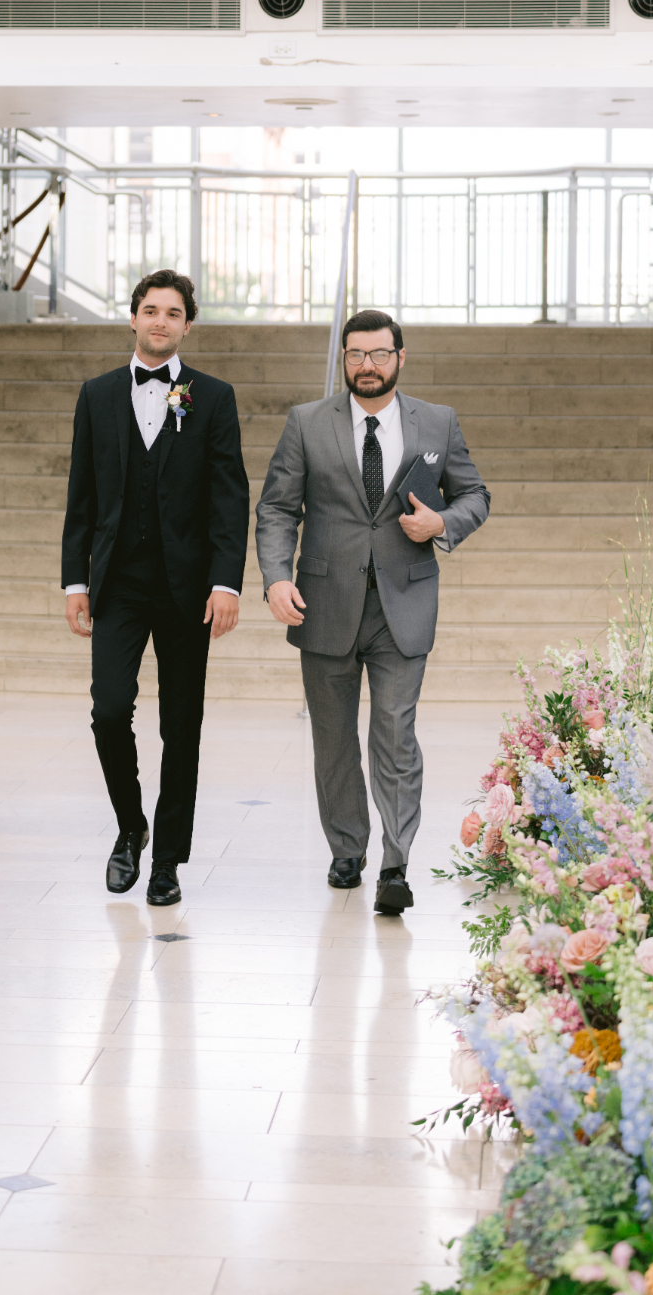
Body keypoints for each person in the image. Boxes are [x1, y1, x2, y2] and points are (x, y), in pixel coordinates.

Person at [255, 308, 490, 915]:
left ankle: (395, 861)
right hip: (321, 603)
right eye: (356, 354)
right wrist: (276, 578)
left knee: (394, 732)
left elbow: (475, 495)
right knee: (332, 739)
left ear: (400, 357)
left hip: (402, 603)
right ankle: (346, 847)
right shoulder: (307, 423)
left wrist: (443, 523)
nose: (367, 365)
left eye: (379, 354)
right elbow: (278, 508)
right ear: (344, 359)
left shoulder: (436, 422)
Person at [61, 269, 250, 906]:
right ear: (133, 318)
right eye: (150, 310)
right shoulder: (98, 393)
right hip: (117, 583)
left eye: (173, 312)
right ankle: (130, 826)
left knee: (182, 725)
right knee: (110, 711)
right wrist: (74, 581)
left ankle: (167, 858)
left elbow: (230, 499)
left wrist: (226, 581)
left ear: (187, 325)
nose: (160, 321)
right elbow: (80, 498)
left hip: (188, 589)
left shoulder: (211, 397)